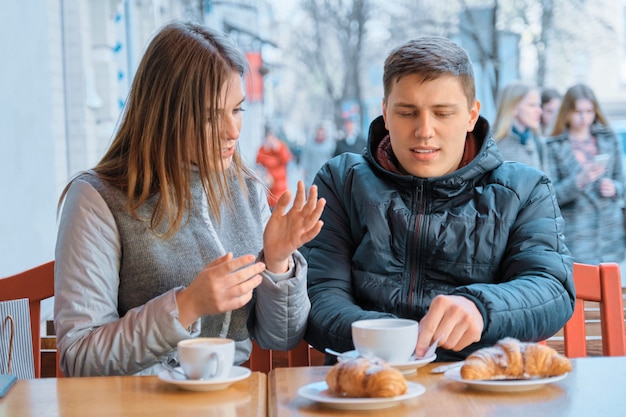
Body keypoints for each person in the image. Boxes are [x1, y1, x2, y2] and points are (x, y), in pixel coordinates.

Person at [53, 21, 326, 377]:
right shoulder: (96, 199)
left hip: (230, 402)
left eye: (238, 109)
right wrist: (186, 306)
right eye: (212, 116)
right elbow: (80, 356)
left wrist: (278, 263)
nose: (233, 131)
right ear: (165, 114)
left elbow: (282, 337)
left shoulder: (248, 190)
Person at [301, 36, 575, 363]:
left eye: (443, 113)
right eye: (406, 112)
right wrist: (396, 338)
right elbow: (319, 295)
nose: (425, 130)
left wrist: (481, 307)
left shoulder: (524, 189)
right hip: (368, 387)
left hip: (481, 388)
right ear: (385, 113)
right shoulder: (340, 181)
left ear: (472, 115)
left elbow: (551, 288)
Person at [545, 83, 625, 265]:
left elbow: (622, 181)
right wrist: (579, 181)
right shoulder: (553, 146)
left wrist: (614, 188)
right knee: (585, 291)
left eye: (589, 111)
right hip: (576, 239)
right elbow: (549, 196)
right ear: (567, 112)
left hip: (611, 237)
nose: (584, 117)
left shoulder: (608, 139)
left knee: (615, 290)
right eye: (578, 111)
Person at [492, 81, 547, 172]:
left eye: (539, 105)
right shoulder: (490, 143)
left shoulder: (537, 142)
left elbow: (547, 183)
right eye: (532, 105)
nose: (539, 111)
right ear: (513, 107)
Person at [256, 128, 293, 209]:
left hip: (279, 184)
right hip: (268, 184)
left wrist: (278, 148)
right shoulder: (263, 149)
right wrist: (265, 149)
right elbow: (258, 161)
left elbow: (287, 159)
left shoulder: (281, 147)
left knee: (278, 208)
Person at [302, 123, 336, 189]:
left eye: (322, 134)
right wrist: (305, 169)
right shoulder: (310, 145)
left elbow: (333, 158)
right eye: (319, 134)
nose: (320, 136)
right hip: (312, 173)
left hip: (325, 173)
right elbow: (306, 157)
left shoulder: (330, 145)